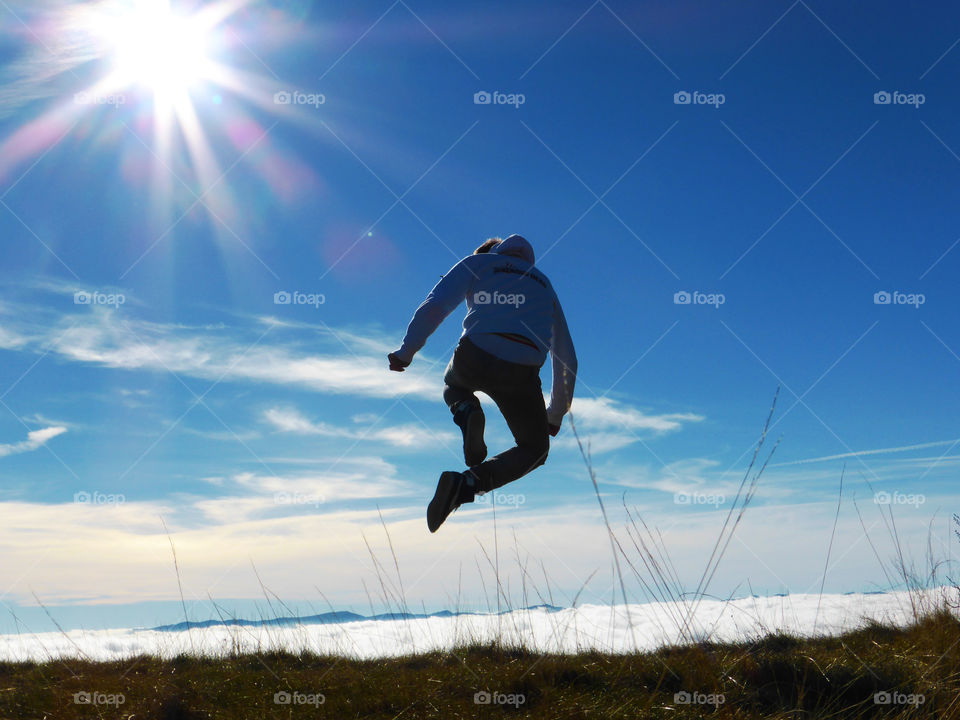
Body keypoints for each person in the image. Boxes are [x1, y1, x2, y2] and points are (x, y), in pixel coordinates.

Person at [388, 234, 577, 532]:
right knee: (534, 449)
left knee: (454, 386)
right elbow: (566, 357)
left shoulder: (478, 262)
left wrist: (406, 352)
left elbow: (436, 305)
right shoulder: (544, 283)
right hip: (523, 370)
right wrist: (554, 415)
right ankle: (466, 483)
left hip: (475, 353)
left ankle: (466, 409)